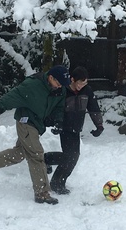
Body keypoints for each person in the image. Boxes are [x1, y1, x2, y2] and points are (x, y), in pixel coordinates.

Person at [0, 65, 70, 204]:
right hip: (25, 122)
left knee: (20, 153)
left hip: (37, 124)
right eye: (58, 82)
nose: (60, 86)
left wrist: (58, 121)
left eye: (62, 84)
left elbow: (59, 108)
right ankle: (42, 193)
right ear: (51, 77)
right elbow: (13, 96)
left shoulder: (59, 90)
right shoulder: (33, 85)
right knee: (36, 155)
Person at [44, 66, 104, 195]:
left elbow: (94, 108)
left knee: (72, 157)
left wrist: (99, 125)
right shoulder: (63, 90)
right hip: (64, 127)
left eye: (85, 83)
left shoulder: (87, 91)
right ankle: (56, 182)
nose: (81, 86)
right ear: (72, 79)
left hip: (76, 128)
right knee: (71, 157)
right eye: (79, 83)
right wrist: (55, 123)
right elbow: (53, 107)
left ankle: (47, 160)